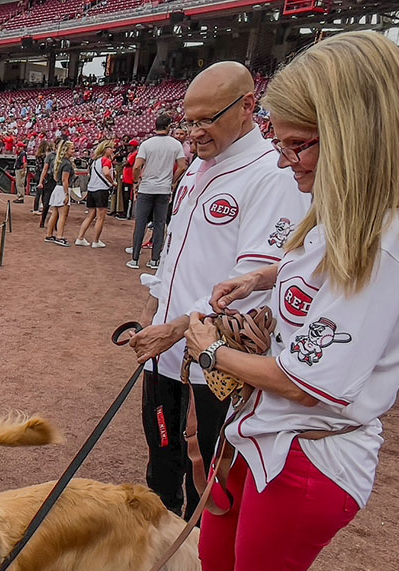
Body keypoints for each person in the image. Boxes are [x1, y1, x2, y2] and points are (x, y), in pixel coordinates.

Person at [144, 31, 399, 571]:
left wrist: (210, 349)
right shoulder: (348, 213)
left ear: (355, 134)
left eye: (300, 145)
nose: (285, 159)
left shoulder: (385, 236)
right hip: (266, 431)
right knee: (217, 545)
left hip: (312, 449)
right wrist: (261, 279)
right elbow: (311, 273)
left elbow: (313, 381)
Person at [127, 62, 307, 524]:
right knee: (161, 454)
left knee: (207, 464)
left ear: (248, 106)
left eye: (206, 119)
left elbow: (250, 283)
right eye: (189, 120)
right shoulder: (197, 169)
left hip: (217, 360)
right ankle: (160, 552)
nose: (194, 133)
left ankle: (201, 560)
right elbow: (175, 255)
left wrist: (176, 327)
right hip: (166, 349)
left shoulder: (271, 176)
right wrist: (154, 308)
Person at [126, 114, 186, 269]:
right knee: (159, 224)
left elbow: (137, 166)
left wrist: (135, 181)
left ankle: (135, 258)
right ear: (169, 127)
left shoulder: (147, 144)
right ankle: (155, 260)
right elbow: (182, 166)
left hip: (147, 187)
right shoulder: (175, 145)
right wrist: (173, 181)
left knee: (140, 223)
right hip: (164, 188)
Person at [75, 139, 115, 247]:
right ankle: (96, 241)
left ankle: (80, 237)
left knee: (90, 215)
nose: (113, 150)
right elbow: (106, 173)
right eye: (111, 148)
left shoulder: (95, 161)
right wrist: (113, 182)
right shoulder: (106, 160)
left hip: (92, 189)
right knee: (100, 217)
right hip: (101, 190)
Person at [43, 139, 75, 247]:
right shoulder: (66, 163)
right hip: (62, 189)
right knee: (62, 215)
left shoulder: (60, 161)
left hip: (57, 188)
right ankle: (59, 236)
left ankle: (49, 234)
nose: (73, 151)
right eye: (72, 149)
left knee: (55, 213)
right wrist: (67, 194)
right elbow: (65, 179)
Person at [120, 138, 138, 219]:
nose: (128, 148)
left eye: (130, 146)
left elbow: (126, 163)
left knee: (128, 197)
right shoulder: (130, 154)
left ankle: (127, 214)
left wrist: (123, 163)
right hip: (126, 178)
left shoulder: (135, 153)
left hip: (130, 179)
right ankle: (125, 212)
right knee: (125, 196)